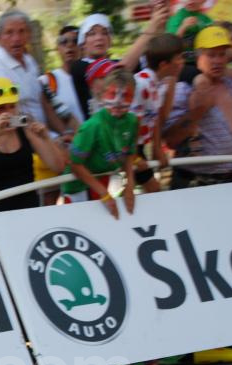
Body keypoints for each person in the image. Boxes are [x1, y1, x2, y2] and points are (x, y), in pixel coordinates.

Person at [164, 26, 232, 188]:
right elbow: (170, 140)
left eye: (222, 54)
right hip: (195, 182)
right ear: (198, 57)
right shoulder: (184, 89)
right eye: (211, 55)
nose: (217, 60)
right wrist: (197, 112)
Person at [0, 78, 65, 212]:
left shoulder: (25, 131)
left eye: (12, 106)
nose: (7, 113)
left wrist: (46, 138)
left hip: (29, 209)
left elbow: (58, 166)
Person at [0, 10, 68, 134]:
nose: (16, 38)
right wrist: (34, 125)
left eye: (22, 31)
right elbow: (1, 119)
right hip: (20, 139)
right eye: (9, 32)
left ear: (29, 35)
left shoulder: (29, 60)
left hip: (44, 134)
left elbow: (42, 101)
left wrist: (64, 132)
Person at [71, 9, 169, 119]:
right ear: (82, 43)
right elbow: (118, 74)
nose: (99, 38)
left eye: (105, 33)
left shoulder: (118, 62)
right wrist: (150, 30)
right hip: (100, 133)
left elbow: (155, 63)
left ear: (110, 40)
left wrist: (160, 23)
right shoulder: (79, 66)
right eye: (92, 34)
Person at [69, 68, 138, 219]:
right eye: (113, 94)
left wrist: (130, 184)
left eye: (125, 96)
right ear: (103, 95)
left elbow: (129, 153)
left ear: (133, 98)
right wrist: (104, 194)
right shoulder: (92, 126)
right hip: (80, 187)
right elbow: (75, 164)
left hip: (110, 180)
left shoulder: (132, 121)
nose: (118, 102)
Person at [130, 33, 185, 193]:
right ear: (164, 65)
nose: (182, 62)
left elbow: (156, 118)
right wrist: (133, 156)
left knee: (153, 191)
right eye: (179, 58)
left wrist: (157, 148)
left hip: (136, 146)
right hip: (127, 147)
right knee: (153, 190)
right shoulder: (142, 84)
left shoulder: (157, 84)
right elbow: (129, 122)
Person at [40, 25, 85, 125]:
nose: (70, 45)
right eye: (64, 41)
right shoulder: (47, 81)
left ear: (83, 47)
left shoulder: (92, 78)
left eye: (75, 41)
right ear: (58, 49)